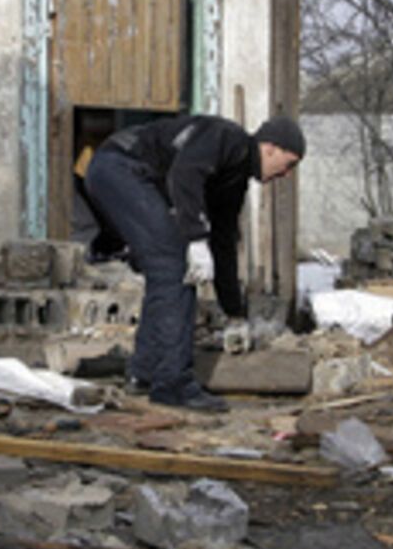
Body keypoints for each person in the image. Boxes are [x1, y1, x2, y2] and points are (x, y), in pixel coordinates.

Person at [83, 113, 305, 412]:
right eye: (289, 164)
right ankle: (173, 383)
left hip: (118, 172)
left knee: (167, 271)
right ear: (270, 148)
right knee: (175, 267)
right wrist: (196, 238)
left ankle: (145, 373)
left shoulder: (234, 179)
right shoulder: (230, 138)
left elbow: (224, 243)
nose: (287, 174)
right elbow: (184, 174)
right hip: (119, 167)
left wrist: (234, 313)